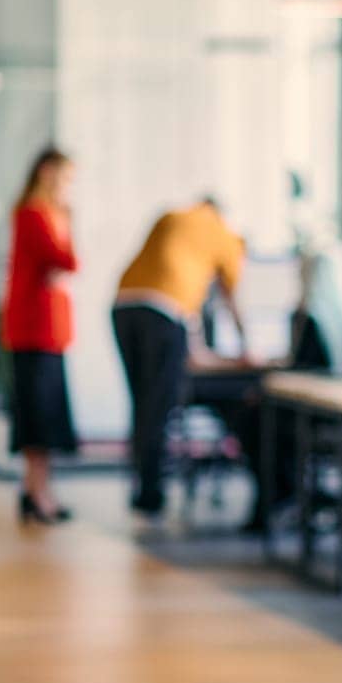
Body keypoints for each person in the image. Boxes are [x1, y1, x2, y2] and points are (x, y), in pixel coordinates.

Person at [112, 196, 248, 516]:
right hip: (163, 311)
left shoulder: (171, 216)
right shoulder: (223, 233)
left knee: (142, 401)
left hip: (123, 304)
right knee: (159, 403)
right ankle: (150, 493)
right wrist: (245, 345)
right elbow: (231, 297)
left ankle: (141, 484)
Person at [0, 147, 80, 525]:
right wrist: (65, 225)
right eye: (64, 178)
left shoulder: (44, 214)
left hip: (47, 330)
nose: (67, 188)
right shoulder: (33, 214)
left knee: (45, 414)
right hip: (34, 329)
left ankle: (38, 490)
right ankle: (35, 491)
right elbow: (66, 260)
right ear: (47, 172)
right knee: (37, 415)